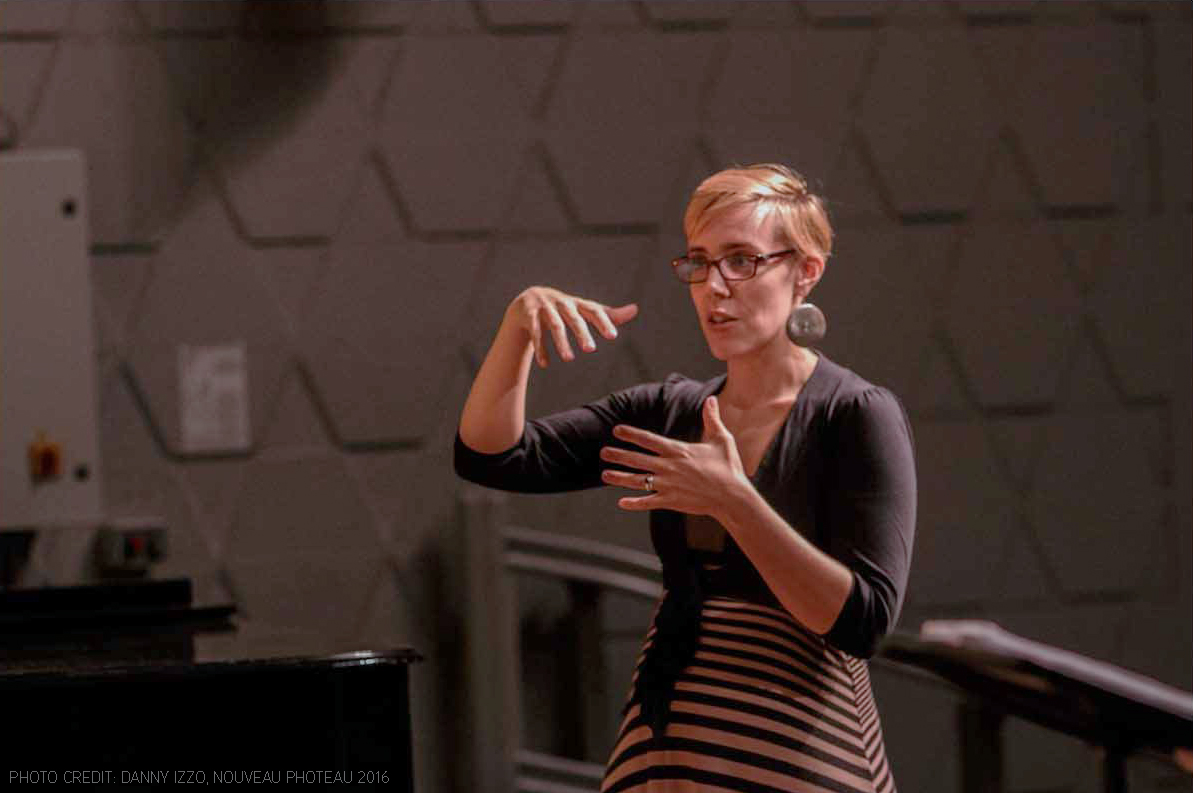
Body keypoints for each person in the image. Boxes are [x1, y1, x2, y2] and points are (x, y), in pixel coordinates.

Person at [454, 163, 916, 793]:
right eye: (699, 262)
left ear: (805, 271)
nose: (714, 286)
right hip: (670, 745)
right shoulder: (670, 410)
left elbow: (862, 622)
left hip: (797, 751)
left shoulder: (854, 415)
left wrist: (735, 502)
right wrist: (516, 331)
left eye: (742, 261)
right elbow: (494, 457)